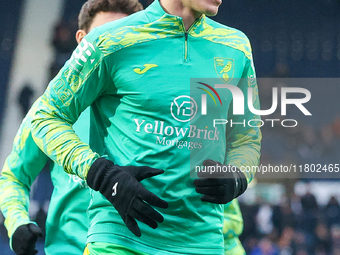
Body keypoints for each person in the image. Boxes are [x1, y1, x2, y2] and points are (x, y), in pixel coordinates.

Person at [31, 0, 261, 254]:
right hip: (119, 240)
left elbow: (246, 136)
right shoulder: (109, 39)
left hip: (203, 241)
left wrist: (239, 175)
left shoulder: (236, 47)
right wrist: (101, 174)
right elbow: (46, 115)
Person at [0, 1, 143, 255]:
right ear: (81, 41)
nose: (110, 49)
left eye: (123, 37)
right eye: (102, 37)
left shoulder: (158, 107)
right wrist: (17, 222)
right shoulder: (50, 111)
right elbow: (13, 176)